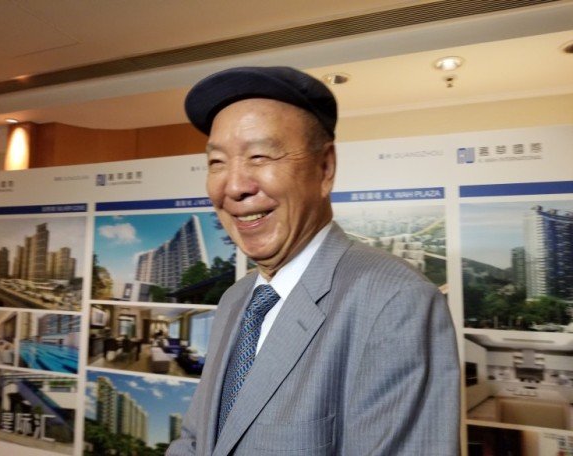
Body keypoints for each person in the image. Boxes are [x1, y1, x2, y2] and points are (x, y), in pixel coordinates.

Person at [167, 66, 460, 455]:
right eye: (217, 162)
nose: (234, 186)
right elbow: (196, 439)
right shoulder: (236, 300)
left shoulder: (395, 302)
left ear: (325, 168)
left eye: (260, 155)